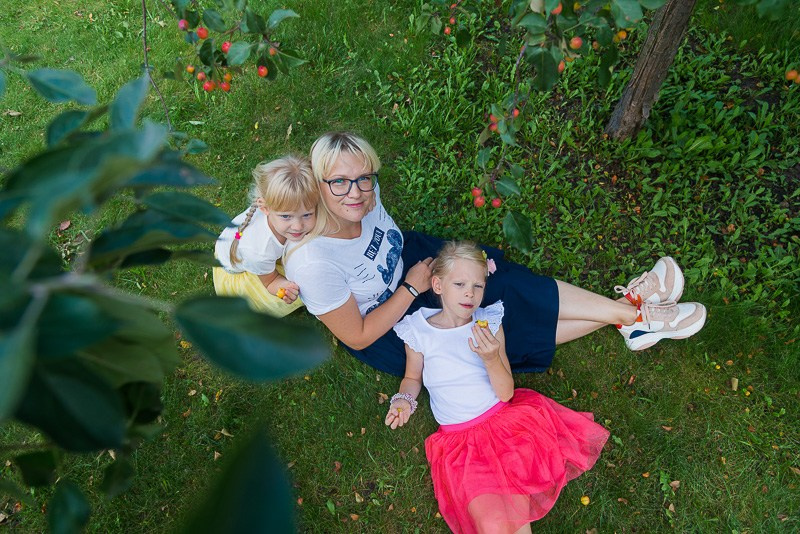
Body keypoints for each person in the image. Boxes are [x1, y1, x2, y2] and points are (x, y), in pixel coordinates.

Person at [285, 131, 707, 375]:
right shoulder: (314, 260)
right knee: (496, 330)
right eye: (339, 182)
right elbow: (357, 335)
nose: (356, 192)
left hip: (415, 261)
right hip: (394, 318)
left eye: (364, 178)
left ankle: (628, 314)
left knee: (506, 283)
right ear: (316, 185)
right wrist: (413, 290)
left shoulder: (363, 198)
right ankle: (635, 316)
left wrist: (426, 271)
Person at [385, 241, 610, 533]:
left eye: (478, 286)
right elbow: (413, 378)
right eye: (460, 284)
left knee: (516, 520)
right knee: (491, 523)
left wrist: (491, 358)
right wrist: (404, 399)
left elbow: (506, 393)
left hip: (505, 430)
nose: (470, 293)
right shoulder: (417, 329)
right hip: (460, 444)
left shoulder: (487, 323)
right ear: (437, 285)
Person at [213, 155, 324, 317]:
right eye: (286, 216)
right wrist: (285, 287)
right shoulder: (259, 251)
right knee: (308, 280)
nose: (298, 226)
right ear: (264, 208)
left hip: (247, 250)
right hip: (246, 275)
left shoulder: (282, 213)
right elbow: (271, 281)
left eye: (307, 214)